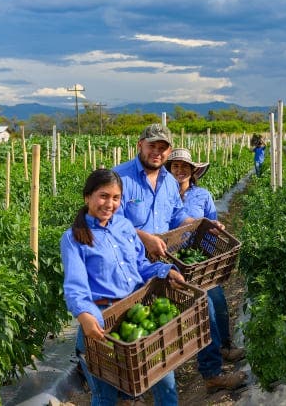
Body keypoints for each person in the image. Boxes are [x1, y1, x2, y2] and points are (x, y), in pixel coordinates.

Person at [113, 124, 246, 394]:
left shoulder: (169, 183)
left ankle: (211, 374)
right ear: (140, 145)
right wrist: (144, 237)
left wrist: (202, 225)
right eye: (152, 146)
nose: (157, 152)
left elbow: (176, 218)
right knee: (130, 325)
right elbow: (110, 221)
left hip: (163, 263)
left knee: (202, 305)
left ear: (168, 151)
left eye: (163, 148)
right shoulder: (120, 177)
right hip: (130, 266)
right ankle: (130, 391)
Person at [61, 168, 184, 406]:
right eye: (103, 196)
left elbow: (140, 266)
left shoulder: (125, 226)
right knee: (105, 396)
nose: (109, 203)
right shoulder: (74, 237)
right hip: (101, 324)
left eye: (116, 198)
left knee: (164, 381)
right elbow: (75, 287)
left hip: (136, 316)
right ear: (87, 197)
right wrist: (85, 316)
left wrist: (164, 270)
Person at [166, 147, 245, 363]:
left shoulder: (202, 195)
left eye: (184, 166)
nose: (179, 170)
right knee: (193, 308)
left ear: (193, 171)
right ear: (169, 170)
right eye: (175, 166)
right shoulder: (163, 196)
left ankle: (224, 346)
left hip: (198, 259)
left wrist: (209, 255)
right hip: (169, 260)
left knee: (217, 300)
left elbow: (211, 226)